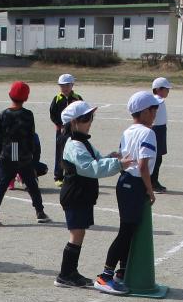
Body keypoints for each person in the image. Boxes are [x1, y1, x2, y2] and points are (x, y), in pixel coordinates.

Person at [55, 101, 130, 288]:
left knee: (79, 233)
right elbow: (90, 168)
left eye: (91, 117)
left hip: (81, 195)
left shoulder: (83, 141)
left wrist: (110, 158)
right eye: (86, 118)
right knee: (76, 234)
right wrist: (118, 165)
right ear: (74, 122)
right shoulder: (74, 145)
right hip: (74, 195)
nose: (90, 121)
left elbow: (96, 161)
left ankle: (70, 272)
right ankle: (65, 274)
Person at [95, 91, 159, 295]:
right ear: (145, 112)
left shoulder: (128, 131)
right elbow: (142, 166)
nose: (156, 113)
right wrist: (150, 189)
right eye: (154, 109)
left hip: (125, 183)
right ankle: (105, 276)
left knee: (130, 230)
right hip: (134, 184)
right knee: (126, 231)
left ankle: (122, 273)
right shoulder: (148, 133)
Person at [0, 81, 51, 226]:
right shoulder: (28, 115)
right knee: (32, 185)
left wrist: (0, 150)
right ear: (26, 98)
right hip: (23, 154)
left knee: (2, 184)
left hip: (8, 152)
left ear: (10, 95)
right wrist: (32, 153)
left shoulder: (4, 114)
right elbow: (31, 136)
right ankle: (40, 212)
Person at [49, 73, 83, 185]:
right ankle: (58, 176)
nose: (64, 88)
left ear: (72, 85)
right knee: (60, 152)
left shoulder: (77, 98)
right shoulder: (57, 99)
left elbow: (83, 112)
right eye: (62, 86)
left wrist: (79, 125)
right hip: (61, 131)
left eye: (67, 85)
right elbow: (53, 114)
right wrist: (60, 125)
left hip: (75, 130)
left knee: (75, 151)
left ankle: (74, 174)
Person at [149, 76, 171, 192]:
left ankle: (154, 180)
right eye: (166, 89)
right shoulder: (156, 100)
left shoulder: (160, 100)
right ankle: (152, 182)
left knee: (159, 158)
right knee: (156, 158)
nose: (168, 91)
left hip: (161, 129)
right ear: (158, 89)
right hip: (156, 130)